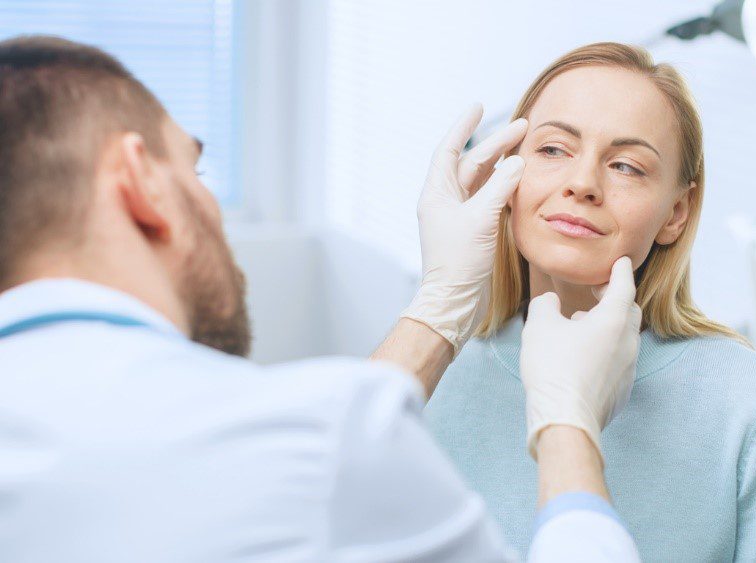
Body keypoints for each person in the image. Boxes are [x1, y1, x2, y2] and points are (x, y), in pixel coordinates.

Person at [0, 35, 643, 562]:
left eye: (627, 164)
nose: (581, 183)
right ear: (139, 182)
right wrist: (568, 427)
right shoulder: (311, 440)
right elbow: (322, 456)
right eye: (194, 170)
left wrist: (440, 306)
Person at [425, 42, 756, 561]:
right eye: (553, 149)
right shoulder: (435, 376)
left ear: (676, 211)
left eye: (627, 166)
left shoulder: (750, 402)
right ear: (506, 172)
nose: (583, 184)